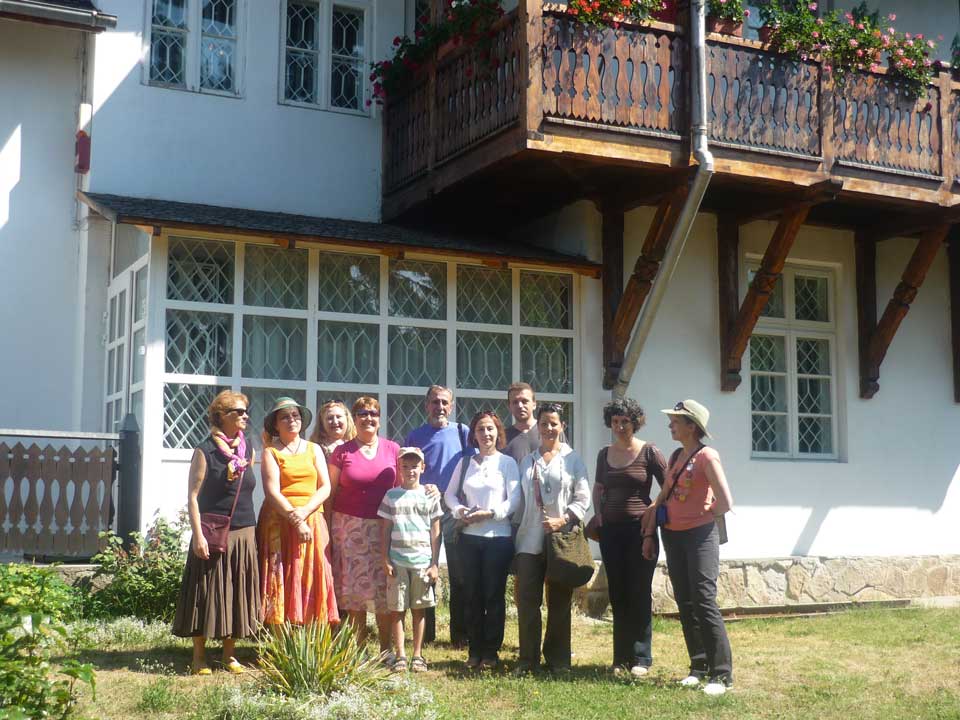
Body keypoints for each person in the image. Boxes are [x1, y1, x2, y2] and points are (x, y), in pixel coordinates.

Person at [644, 399, 734, 696]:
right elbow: (665, 492)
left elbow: (725, 501)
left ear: (692, 426)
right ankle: (698, 666)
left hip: (700, 536)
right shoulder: (675, 455)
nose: (670, 424)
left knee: (703, 600)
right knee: (685, 600)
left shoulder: (707, 456)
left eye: (676, 420)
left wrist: (705, 514)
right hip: (673, 535)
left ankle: (722, 675)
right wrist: (652, 515)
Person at [173, 390, 260, 675]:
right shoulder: (205, 451)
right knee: (205, 591)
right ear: (221, 416)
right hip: (213, 531)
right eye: (238, 411)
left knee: (236, 592)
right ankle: (199, 656)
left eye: (246, 411)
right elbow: (193, 496)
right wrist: (197, 535)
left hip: (244, 531)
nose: (245, 415)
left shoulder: (247, 450)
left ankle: (229, 654)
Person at [513, 403, 590, 674]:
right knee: (527, 600)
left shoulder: (573, 459)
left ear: (562, 426)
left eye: (553, 423)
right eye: (544, 423)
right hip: (529, 540)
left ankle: (558, 660)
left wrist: (564, 519)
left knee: (559, 601)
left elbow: (583, 498)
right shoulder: (528, 461)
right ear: (538, 427)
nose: (548, 428)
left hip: (560, 539)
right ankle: (528, 660)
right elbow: (517, 500)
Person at [591, 398, 666, 677]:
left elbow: (669, 486)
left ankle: (641, 658)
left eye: (625, 421)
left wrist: (653, 509)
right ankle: (620, 658)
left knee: (638, 592)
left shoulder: (650, 452)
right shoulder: (604, 454)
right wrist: (598, 515)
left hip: (641, 532)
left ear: (635, 422)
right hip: (611, 533)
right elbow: (599, 488)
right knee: (618, 593)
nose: (620, 426)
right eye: (615, 422)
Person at [444, 411, 520, 670]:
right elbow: (449, 495)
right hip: (469, 539)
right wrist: (460, 512)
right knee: (472, 595)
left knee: (493, 596)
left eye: (490, 429)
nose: (486, 434)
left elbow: (514, 499)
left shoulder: (507, 463)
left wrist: (491, 513)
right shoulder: (465, 463)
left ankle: (491, 652)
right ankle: (474, 650)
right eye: (480, 429)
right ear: (473, 435)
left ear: (498, 432)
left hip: (498, 539)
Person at [257, 397, 339, 626]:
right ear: (275, 425)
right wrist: (295, 519)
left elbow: (325, 487)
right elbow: (272, 492)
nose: (292, 420)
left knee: (312, 572)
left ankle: (311, 633)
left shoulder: (314, 449)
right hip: (279, 521)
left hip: (311, 519)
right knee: (280, 573)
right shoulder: (271, 452)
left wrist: (303, 514)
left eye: (295, 415)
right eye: (285, 417)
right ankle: (279, 637)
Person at [328, 396, 400, 653]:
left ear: (379, 419)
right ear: (354, 419)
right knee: (354, 592)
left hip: (383, 528)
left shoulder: (393, 449)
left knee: (383, 589)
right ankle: (358, 650)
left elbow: (402, 488)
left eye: (373, 414)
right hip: (348, 527)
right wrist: (327, 528)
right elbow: (330, 494)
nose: (368, 418)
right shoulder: (342, 452)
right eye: (362, 414)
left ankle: (385, 650)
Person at [404, 385, 471, 646]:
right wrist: (423, 487)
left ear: (451, 407)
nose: (439, 407)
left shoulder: (462, 432)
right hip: (425, 509)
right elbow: (407, 471)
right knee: (425, 570)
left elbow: (473, 467)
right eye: (434, 402)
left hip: (454, 509)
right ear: (426, 405)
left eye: (444, 402)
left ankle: (460, 635)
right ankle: (427, 635)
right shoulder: (415, 436)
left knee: (459, 573)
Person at [377, 447, 442, 673]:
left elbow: (435, 531)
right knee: (397, 609)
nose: (410, 470)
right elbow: (385, 530)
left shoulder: (430, 495)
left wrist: (434, 563)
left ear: (423, 468)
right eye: (405, 466)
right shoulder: (391, 496)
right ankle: (400, 655)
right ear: (399, 468)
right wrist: (385, 558)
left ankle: (417, 654)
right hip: (397, 562)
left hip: (422, 562)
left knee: (419, 609)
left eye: (414, 466)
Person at [502, 382, 539, 467]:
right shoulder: (502, 438)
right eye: (515, 402)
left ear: (534, 404)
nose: (520, 406)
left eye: (524, 401)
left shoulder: (550, 432)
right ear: (509, 407)